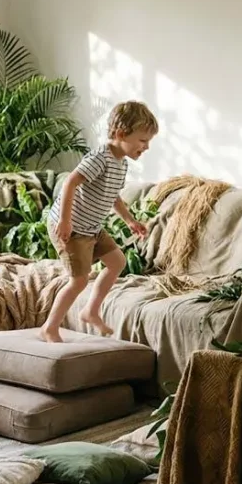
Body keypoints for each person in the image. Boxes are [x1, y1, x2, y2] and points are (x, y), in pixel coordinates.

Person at [39, 100, 157, 342]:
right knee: (79, 280)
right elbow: (70, 182)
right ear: (121, 134)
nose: (146, 147)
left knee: (117, 261)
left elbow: (113, 196)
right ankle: (49, 327)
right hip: (71, 228)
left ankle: (90, 311)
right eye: (143, 140)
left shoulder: (121, 164)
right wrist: (65, 220)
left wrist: (130, 221)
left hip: (92, 227)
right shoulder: (100, 158)